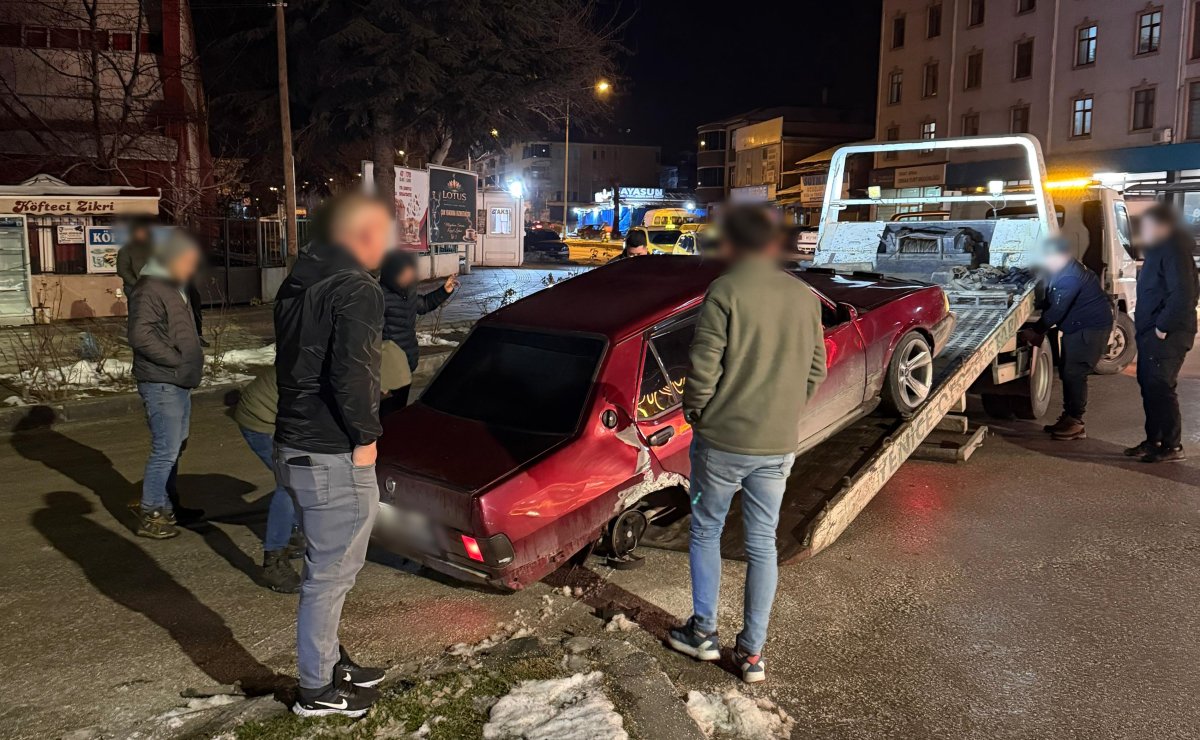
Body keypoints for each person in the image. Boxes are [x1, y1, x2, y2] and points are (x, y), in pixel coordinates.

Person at [666, 206, 827, 684]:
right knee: (762, 544)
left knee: (706, 530)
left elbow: (705, 363)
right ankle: (752, 654)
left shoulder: (727, 290)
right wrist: (785, 414)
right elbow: (816, 368)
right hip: (777, 444)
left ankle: (704, 633)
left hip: (722, 440)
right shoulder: (805, 296)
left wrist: (697, 411)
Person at [273, 194, 390, 717]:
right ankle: (316, 689)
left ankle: (331, 661)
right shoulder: (355, 288)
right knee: (331, 574)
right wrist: (366, 438)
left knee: (331, 565)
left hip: (296, 443)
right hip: (330, 450)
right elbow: (353, 373)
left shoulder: (303, 280)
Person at [233, 341, 412, 593]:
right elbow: (319, 428)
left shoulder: (351, 366)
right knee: (290, 485)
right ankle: (273, 561)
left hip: (284, 415)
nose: (385, 395)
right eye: (385, 389)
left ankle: (294, 532)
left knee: (305, 479)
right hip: (262, 419)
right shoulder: (335, 380)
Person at [127, 229, 205, 539]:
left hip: (177, 380)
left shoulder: (173, 285)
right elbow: (140, 335)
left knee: (175, 447)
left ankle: (169, 504)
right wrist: (176, 360)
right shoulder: (150, 288)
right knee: (165, 450)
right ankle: (151, 512)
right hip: (162, 381)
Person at [1127, 203, 1199, 463]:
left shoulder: (1174, 251)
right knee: (1149, 386)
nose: (1142, 231)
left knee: (1161, 387)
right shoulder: (1160, 250)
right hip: (1151, 332)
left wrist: (1162, 327)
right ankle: (1154, 440)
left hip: (1168, 335)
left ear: (1162, 227)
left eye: (1146, 226)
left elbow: (1182, 295)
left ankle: (1172, 445)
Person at [1028, 237, 1114, 441]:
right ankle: (1069, 417)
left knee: (1075, 373)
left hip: (1088, 330)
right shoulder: (1065, 268)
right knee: (1068, 371)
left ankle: (1075, 423)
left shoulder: (1070, 277)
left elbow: (1057, 310)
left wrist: (1037, 330)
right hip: (1079, 326)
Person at [378, 250, 458, 414]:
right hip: (387, 368)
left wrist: (444, 291)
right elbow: (369, 336)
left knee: (399, 412)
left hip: (407, 361)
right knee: (385, 416)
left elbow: (424, 304)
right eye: (405, 273)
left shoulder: (407, 292)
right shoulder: (379, 296)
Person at [116, 220, 154, 297]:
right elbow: (122, 270)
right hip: (133, 288)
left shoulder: (152, 248)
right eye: (139, 232)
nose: (142, 234)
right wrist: (136, 283)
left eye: (144, 232)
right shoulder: (126, 250)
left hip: (152, 287)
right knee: (137, 308)